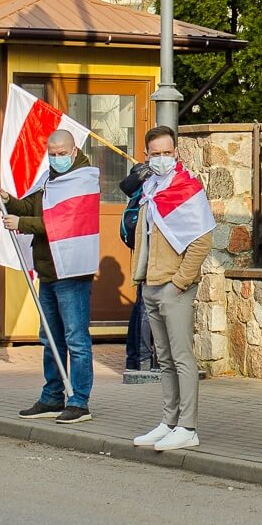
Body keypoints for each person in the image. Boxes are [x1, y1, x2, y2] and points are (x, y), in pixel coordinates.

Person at [1, 130, 100, 425]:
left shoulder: (84, 180)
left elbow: (62, 222)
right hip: (49, 269)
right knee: (50, 338)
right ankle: (52, 396)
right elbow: (31, 207)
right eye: (51, 153)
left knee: (75, 338)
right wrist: (8, 199)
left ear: (73, 151)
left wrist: (22, 223)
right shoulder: (49, 179)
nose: (55, 158)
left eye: (60, 153)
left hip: (72, 270)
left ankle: (79, 400)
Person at [129, 127, 214, 453]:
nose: (162, 158)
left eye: (168, 152)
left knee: (181, 357)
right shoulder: (150, 187)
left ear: (176, 153)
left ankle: (187, 426)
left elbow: (201, 240)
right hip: (150, 282)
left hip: (173, 285)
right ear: (147, 156)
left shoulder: (187, 189)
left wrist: (179, 281)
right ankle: (169, 421)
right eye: (156, 153)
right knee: (163, 358)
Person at [118, 161, 160, 375]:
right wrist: (146, 171)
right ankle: (144, 360)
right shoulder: (148, 174)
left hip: (144, 243)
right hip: (148, 245)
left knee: (140, 304)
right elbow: (125, 186)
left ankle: (134, 358)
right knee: (145, 304)